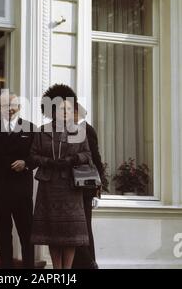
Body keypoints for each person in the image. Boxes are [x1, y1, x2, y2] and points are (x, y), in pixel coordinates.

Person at [27, 84, 91, 269]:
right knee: (53, 233)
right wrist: (48, 162)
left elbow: (88, 155)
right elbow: (32, 155)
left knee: (71, 234)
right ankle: (56, 269)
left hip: (71, 186)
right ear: (53, 110)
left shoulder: (79, 131)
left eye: (70, 108)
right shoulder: (42, 131)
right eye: (63, 108)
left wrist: (73, 159)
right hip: (50, 186)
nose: (66, 112)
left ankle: (67, 271)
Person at [0, 91, 35, 268]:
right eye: (5, 106)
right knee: (4, 234)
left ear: (19, 107)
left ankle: (29, 267)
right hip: (0, 191)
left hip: (22, 191)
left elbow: (37, 157)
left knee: (26, 233)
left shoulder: (30, 128)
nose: (10, 109)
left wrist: (26, 163)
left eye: (13, 106)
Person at [71, 103, 104, 269]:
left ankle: (89, 262)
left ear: (76, 112)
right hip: (76, 186)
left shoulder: (86, 129)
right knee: (78, 226)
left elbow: (95, 158)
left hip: (84, 186)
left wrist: (98, 184)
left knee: (83, 226)